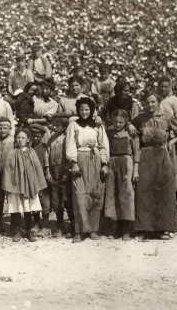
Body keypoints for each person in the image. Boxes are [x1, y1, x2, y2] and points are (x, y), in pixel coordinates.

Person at [133, 91, 177, 240]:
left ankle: (163, 229)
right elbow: (130, 130)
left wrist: (171, 142)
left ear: (158, 103)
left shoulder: (167, 117)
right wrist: (131, 127)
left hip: (163, 157)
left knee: (163, 192)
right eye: (147, 102)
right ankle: (144, 229)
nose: (150, 105)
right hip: (145, 156)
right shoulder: (139, 119)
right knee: (144, 192)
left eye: (153, 102)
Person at [65, 97, 109, 243]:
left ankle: (93, 229)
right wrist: (73, 162)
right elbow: (70, 144)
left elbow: (103, 145)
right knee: (79, 195)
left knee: (95, 195)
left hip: (95, 159)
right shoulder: (73, 126)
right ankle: (79, 231)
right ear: (78, 110)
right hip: (79, 159)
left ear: (92, 110)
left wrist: (104, 163)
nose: (84, 112)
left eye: (87, 110)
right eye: (82, 109)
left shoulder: (97, 126)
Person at [2, 128, 47, 242]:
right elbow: (7, 170)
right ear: (15, 139)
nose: (20, 140)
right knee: (16, 209)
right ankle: (17, 231)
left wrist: (37, 184)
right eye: (18, 137)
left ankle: (28, 231)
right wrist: (8, 186)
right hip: (16, 186)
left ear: (28, 140)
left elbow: (37, 168)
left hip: (29, 185)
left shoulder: (32, 152)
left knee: (28, 209)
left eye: (23, 137)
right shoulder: (12, 153)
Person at [105, 110, 140, 241]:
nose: (118, 124)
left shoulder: (131, 133)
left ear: (126, 122)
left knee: (126, 196)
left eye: (121, 122)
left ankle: (126, 230)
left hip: (127, 164)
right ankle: (118, 229)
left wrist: (135, 170)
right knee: (113, 196)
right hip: (112, 163)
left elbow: (137, 152)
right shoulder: (108, 133)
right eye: (115, 122)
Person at [44, 113, 74, 238]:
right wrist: (47, 170)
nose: (54, 128)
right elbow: (47, 154)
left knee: (66, 198)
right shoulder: (51, 139)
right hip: (53, 171)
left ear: (64, 126)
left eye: (57, 125)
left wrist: (67, 170)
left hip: (64, 171)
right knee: (56, 199)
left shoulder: (67, 138)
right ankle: (60, 224)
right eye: (53, 125)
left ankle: (72, 225)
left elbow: (70, 154)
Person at [158, 75, 177, 195]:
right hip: (160, 135)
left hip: (172, 136)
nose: (163, 89)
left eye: (166, 87)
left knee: (174, 169)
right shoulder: (157, 99)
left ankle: (176, 198)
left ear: (170, 87)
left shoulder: (174, 100)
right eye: (161, 86)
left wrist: (174, 134)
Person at [0, 117, 15, 234]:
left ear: (10, 129)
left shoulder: (13, 141)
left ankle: (14, 225)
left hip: (10, 174)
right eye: (0, 128)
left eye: (5, 128)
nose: (2, 130)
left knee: (12, 198)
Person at [29, 124, 49, 236]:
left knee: (44, 200)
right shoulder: (28, 149)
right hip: (32, 178)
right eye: (33, 136)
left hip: (43, 178)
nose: (36, 138)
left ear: (42, 136)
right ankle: (36, 222)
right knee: (34, 200)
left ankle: (45, 224)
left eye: (38, 136)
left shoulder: (46, 147)